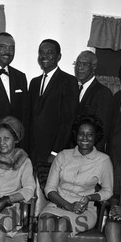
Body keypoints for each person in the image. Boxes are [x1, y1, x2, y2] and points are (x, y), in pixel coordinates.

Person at [35, 115, 113, 242]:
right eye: (81, 134)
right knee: (44, 221)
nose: (84, 139)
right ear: (75, 135)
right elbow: (50, 188)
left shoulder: (103, 160)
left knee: (62, 225)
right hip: (58, 203)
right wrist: (67, 205)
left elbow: (108, 191)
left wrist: (89, 197)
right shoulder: (63, 156)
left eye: (89, 135)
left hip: (85, 210)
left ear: (96, 137)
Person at [29, 39, 79, 188]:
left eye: (50, 53)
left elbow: (68, 121)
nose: (44, 56)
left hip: (53, 153)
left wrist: (55, 152)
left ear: (59, 57)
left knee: (49, 192)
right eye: (41, 53)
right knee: (31, 192)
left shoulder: (68, 82)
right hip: (33, 152)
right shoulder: (34, 82)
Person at [74, 50, 114, 153]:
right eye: (77, 63)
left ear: (94, 67)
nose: (79, 67)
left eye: (84, 64)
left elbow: (102, 130)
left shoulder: (103, 93)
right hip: (73, 152)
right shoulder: (73, 89)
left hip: (90, 154)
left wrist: (93, 156)